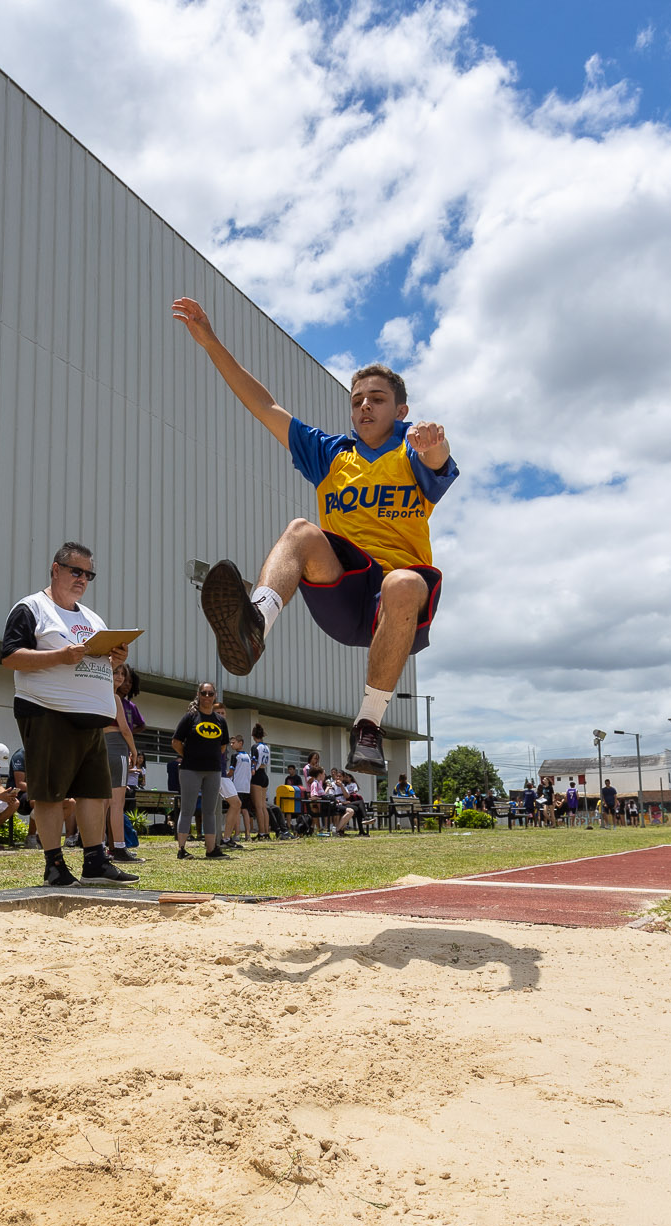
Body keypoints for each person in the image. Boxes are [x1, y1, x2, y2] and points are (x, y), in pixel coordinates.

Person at [173, 296, 458, 777]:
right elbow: (263, 406)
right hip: (344, 593)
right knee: (301, 530)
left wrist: (436, 444)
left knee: (405, 582)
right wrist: (210, 343)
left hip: (394, 607)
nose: (365, 404)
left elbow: (438, 462)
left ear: (401, 408)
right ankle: (254, 625)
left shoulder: (412, 448)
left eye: (377, 398)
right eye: (357, 399)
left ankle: (369, 726)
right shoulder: (331, 454)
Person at [1, 541, 140, 887]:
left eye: (88, 574)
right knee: (50, 792)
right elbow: (10, 657)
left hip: (91, 718)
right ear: (55, 569)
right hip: (48, 711)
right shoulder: (31, 608)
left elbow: (93, 662)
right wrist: (59, 656)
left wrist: (114, 662)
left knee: (95, 792)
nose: (82, 579)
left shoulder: (92, 617)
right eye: (75, 571)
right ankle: (54, 866)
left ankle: (95, 861)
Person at [172, 683, 231, 859]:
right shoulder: (190, 717)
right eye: (203, 693)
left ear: (215, 696)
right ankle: (182, 849)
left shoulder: (220, 721)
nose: (207, 696)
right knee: (188, 809)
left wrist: (209, 758)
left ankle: (211, 849)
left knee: (210, 811)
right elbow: (176, 742)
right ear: (198, 694)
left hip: (213, 770)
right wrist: (190, 755)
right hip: (190, 770)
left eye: (210, 693)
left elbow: (223, 745)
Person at [103, 663, 145, 862]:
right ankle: (119, 848)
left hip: (100, 747)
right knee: (117, 803)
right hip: (116, 746)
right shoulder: (115, 698)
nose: (120, 677)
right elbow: (126, 729)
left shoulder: (95, 695)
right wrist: (134, 751)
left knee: (102, 802)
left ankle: (100, 847)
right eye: (116, 672)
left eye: (123, 673)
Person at [225, 734, 253, 847]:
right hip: (246, 787)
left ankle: (236, 834)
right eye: (231, 743)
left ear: (240, 743)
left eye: (233, 742)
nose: (231, 745)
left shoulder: (235, 756)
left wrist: (224, 776)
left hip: (237, 786)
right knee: (245, 810)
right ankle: (248, 834)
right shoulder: (248, 757)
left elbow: (231, 772)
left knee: (236, 809)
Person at [248, 724, 273, 840]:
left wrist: (252, 769)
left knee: (258, 807)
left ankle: (262, 832)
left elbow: (254, 760)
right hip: (264, 774)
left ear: (253, 735)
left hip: (257, 775)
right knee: (263, 806)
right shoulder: (266, 747)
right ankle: (266, 831)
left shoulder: (255, 747)